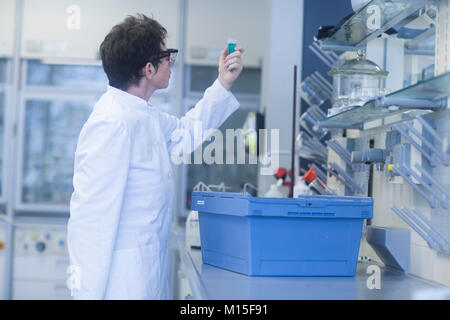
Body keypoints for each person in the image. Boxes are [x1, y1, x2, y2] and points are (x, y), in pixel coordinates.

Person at [67, 14, 244, 300]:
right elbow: (90, 220)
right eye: (167, 56)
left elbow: (185, 133)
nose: (171, 62)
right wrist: (85, 295)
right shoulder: (112, 121)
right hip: (118, 283)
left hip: (143, 272)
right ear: (149, 69)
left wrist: (222, 83)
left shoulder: (141, 113)